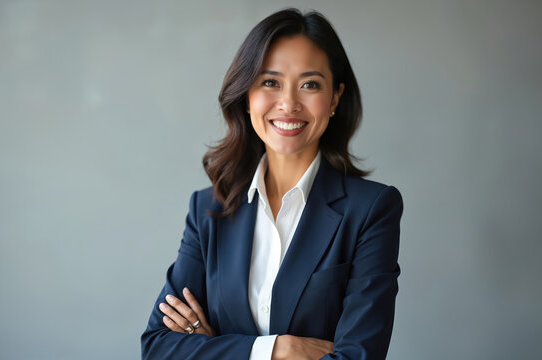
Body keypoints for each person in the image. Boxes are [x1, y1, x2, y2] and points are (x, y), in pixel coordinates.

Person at [141, 8, 402, 360]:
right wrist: (275, 349)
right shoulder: (208, 210)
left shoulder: (371, 209)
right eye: (270, 82)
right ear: (247, 96)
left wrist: (211, 346)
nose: (289, 103)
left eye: (310, 84)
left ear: (335, 98)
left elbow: (359, 356)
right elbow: (159, 348)